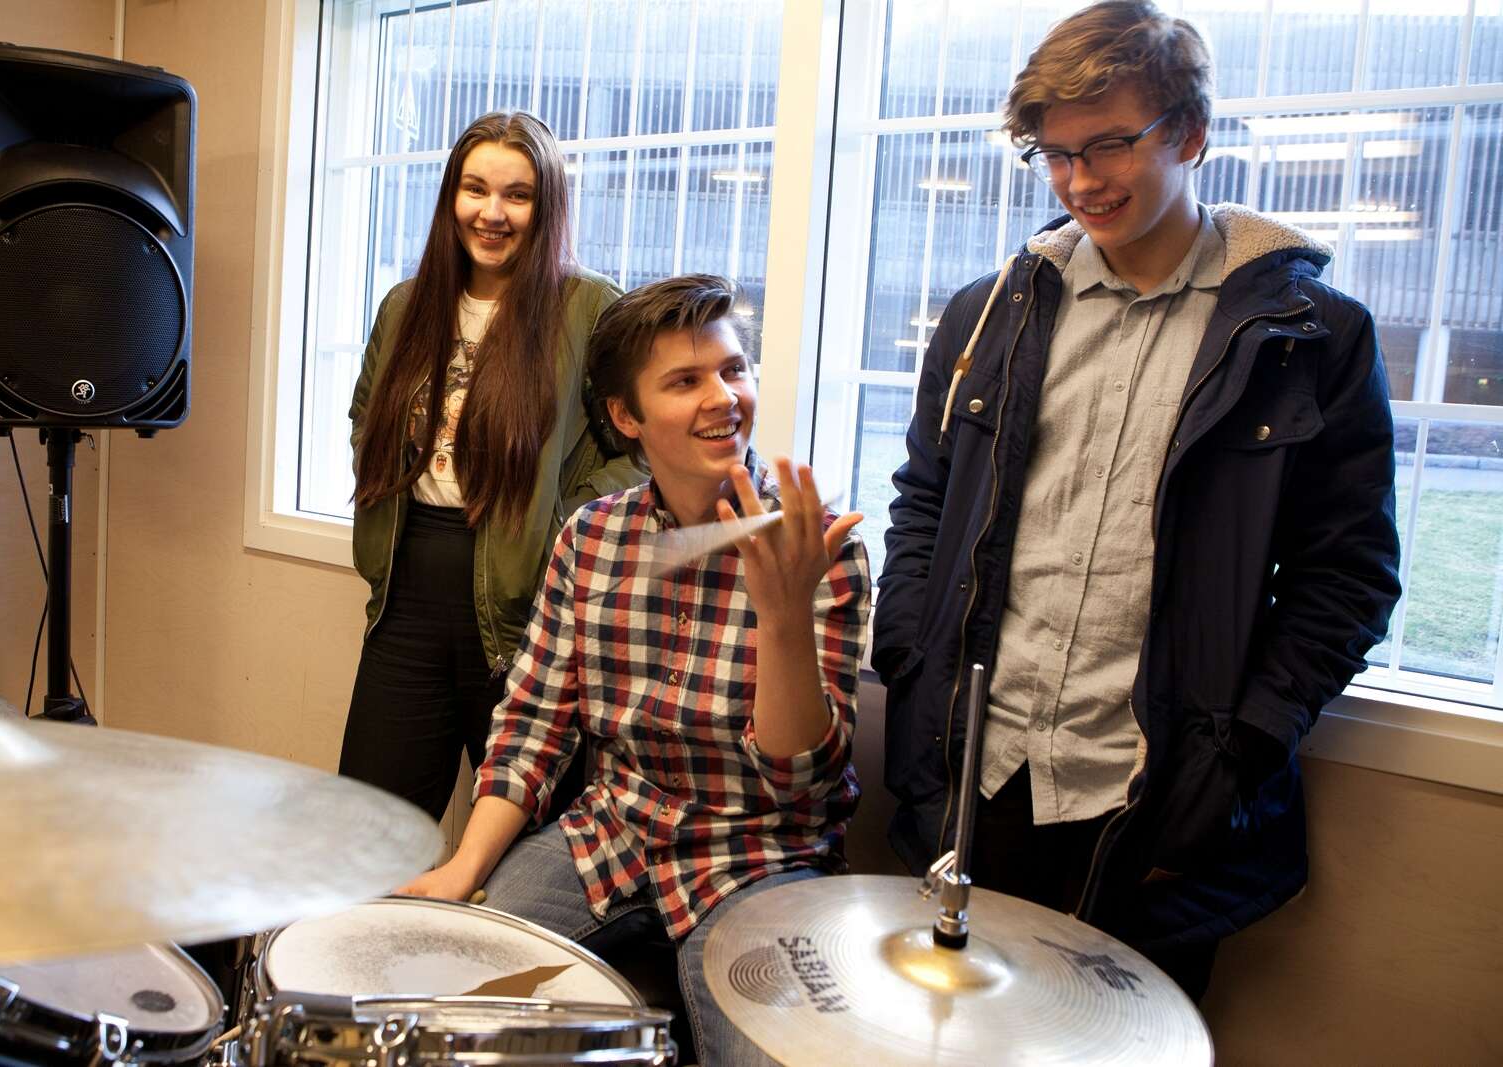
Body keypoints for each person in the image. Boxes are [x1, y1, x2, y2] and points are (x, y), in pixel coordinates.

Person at [874, 0, 1400, 1000]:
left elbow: (1347, 577)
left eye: (1109, 144)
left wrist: (1236, 754)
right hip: (980, 776)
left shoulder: (1310, 335)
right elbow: (924, 505)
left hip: (1158, 793)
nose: (1080, 181)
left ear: (1189, 133)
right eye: (1054, 154)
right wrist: (910, 664)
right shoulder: (988, 313)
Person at [398, 275, 870, 1067]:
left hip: (758, 856)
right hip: (610, 831)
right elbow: (533, 723)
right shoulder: (591, 537)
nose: (723, 397)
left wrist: (784, 615)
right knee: (462, 1001)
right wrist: (461, 869)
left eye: (734, 369)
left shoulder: (816, 545)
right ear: (626, 416)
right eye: (685, 381)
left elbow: (801, 782)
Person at [341, 111, 641, 822]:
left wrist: (559, 525)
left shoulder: (591, 308)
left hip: (525, 602)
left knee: (523, 841)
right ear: (452, 195)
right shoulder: (406, 305)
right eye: (475, 189)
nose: (492, 213)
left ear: (547, 205)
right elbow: (364, 418)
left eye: (518, 194)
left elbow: (637, 450)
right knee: (368, 828)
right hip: (406, 592)